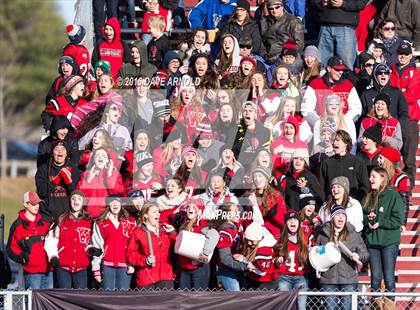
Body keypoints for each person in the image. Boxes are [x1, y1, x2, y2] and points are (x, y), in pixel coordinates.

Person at [317, 205, 369, 310]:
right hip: (328, 279)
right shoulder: (323, 234)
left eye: (343, 215)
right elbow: (317, 252)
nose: (341, 218)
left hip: (348, 279)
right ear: (332, 218)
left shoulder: (353, 234)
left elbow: (365, 254)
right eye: (337, 215)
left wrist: (358, 255)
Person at [363, 167, 404, 293]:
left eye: (374, 176)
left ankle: (389, 305)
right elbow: (361, 216)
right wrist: (368, 220)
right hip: (373, 243)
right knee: (375, 278)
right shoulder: (368, 197)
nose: (370, 179)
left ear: (383, 179)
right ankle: (375, 305)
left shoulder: (393, 195)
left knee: (389, 277)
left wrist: (380, 222)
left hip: (389, 243)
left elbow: (397, 220)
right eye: (370, 176)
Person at [44, 191, 91, 289]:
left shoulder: (88, 222)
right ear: (70, 201)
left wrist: (92, 249)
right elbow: (51, 241)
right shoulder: (61, 220)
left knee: (80, 298)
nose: (76, 201)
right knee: (64, 298)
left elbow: (90, 242)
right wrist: (53, 256)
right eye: (73, 198)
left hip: (81, 268)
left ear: (83, 202)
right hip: (63, 267)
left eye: (79, 199)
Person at [389, 42, 420, 191]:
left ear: (411, 56)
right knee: (391, 155)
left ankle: (407, 190)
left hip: (409, 119)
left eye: (406, 54)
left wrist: (397, 95)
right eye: (400, 53)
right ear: (396, 54)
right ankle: (391, 188)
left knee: (409, 158)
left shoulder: (416, 72)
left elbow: (413, 95)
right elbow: (389, 91)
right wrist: (400, 91)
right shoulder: (390, 70)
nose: (403, 56)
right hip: (393, 117)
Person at [7, 192, 52, 289]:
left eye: (38, 203)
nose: (37, 206)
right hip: (31, 273)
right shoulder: (17, 225)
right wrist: (24, 257)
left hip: (48, 272)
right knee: (32, 302)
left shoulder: (45, 223)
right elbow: (11, 248)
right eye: (33, 204)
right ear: (25, 204)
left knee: (47, 303)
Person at [126, 202, 177, 289]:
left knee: (167, 302)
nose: (158, 214)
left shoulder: (165, 230)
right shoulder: (138, 232)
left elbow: (176, 248)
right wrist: (145, 260)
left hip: (166, 277)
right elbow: (131, 255)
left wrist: (172, 233)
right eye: (154, 212)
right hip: (146, 278)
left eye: (158, 212)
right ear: (145, 215)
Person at [301, 56, 362, 128]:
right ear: (329, 69)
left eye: (342, 70)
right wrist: (320, 123)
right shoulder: (315, 84)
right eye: (337, 70)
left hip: (342, 129)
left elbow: (356, 108)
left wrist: (343, 121)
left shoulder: (348, 85)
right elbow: (306, 109)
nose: (340, 72)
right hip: (320, 129)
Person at [91, 195, 136, 290]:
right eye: (112, 202)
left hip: (125, 265)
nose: (115, 204)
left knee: (122, 298)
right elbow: (97, 246)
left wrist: (132, 263)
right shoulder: (100, 222)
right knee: (108, 297)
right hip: (107, 265)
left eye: (117, 201)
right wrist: (96, 268)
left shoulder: (131, 222)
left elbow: (133, 245)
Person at [313, 0, 369, 70]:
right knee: (321, 65)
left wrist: (343, 3)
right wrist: (321, 2)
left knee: (347, 65)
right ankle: (321, 80)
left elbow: (362, 2)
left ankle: (348, 80)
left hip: (346, 26)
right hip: (325, 25)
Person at [275, 210, 313, 310]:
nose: (292, 221)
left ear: (299, 223)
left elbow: (314, 252)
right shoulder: (280, 239)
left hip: (301, 277)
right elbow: (273, 257)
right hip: (284, 277)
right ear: (286, 223)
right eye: (289, 220)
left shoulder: (305, 238)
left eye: (295, 219)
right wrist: (277, 260)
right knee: (285, 306)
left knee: (301, 307)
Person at [178, 200, 219, 290]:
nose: (190, 209)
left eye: (194, 207)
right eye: (188, 207)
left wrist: (205, 253)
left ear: (199, 211)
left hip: (199, 268)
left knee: (198, 297)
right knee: (183, 297)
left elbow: (214, 236)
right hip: (184, 267)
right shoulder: (184, 224)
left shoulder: (203, 225)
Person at [36, 141, 80, 221]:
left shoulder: (74, 169)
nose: (60, 151)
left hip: (67, 215)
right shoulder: (43, 169)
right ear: (52, 153)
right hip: (47, 216)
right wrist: (56, 179)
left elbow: (77, 195)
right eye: (56, 149)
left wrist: (69, 182)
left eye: (63, 149)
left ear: (66, 153)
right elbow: (41, 192)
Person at [319, 129, 369, 201]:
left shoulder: (357, 162)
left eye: (337, 140)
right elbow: (321, 187)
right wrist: (326, 202)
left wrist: (356, 201)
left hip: (351, 204)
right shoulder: (326, 163)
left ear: (346, 143)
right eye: (333, 140)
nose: (334, 143)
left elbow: (365, 186)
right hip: (332, 204)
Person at [77, 147, 125, 218]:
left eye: (103, 156)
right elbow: (81, 197)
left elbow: (118, 194)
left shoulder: (115, 174)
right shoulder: (86, 174)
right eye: (97, 156)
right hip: (89, 215)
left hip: (107, 216)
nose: (100, 157)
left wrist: (109, 176)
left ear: (108, 161)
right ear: (93, 160)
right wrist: (89, 180)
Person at [214, 203, 249, 291]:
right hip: (227, 270)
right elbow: (225, 259)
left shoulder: (237, 224)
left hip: (239, 266)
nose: (239, 213)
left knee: (245, 295)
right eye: (235, 211)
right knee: (235, 297)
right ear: (226, 215)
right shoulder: (225, 232)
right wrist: (244, 266)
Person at [259, 0, 304, 64]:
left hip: (287, 57)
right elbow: (262, 41)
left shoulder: (293, 21)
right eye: (271, 8)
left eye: (277, 7)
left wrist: (284, 55)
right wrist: (264, 54)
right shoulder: (265, 21)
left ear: (282, 7)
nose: (274, 10)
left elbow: (299, 44)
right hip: (267, 57)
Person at [249, 165, 287, 238]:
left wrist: (274, 213)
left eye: (260, 176)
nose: (257, 179)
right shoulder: (249, 196)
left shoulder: (276, 196)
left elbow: (283, 222)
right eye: (255, 176)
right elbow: (246, 219)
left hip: (272, 234)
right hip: (255, 235)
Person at [237, 222, 278, 290]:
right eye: (248, 240)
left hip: (266, 281)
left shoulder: (264, 250)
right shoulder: (259, 234)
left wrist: (244, 261)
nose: (249, 243)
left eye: (251, 240)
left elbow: (262, 272)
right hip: (253, 278)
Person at [378, 147, 410, 229]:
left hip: (391, 218)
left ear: (388, 160)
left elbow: (404, 201)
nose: (378, 160)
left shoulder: (400, 178)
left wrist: (402, 223)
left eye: (381, 158)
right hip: (378, 216)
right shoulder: (377, 175)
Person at [232, 101, 271, 167]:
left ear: (255, 113)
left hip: (259, 167)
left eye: (250, 111)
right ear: (242, 113)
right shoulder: (234, 131)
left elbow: (266, 152)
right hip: (241, 166)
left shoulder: (265, 131)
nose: (247, 113)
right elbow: (232, 151)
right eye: (245, 111)